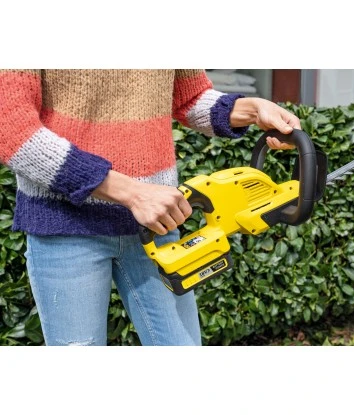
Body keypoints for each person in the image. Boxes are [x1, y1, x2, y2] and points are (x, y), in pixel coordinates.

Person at [0, 69, 301, 346]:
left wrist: (252, 109)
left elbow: (190, 98)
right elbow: (11, 128)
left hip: (156, 227)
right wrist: (132, 193)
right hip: (65, 226)